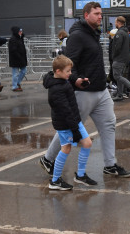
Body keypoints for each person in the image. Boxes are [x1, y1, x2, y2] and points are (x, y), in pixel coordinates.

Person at [39, 1, 130, 179]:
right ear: (86, 15)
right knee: (69, 128)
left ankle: (110, 165)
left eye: (101, 14)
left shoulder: (93, 34)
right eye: (96, 13)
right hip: (83, 92)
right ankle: (48, 159)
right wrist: (76, 79)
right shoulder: (77, 36)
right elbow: (68, 64)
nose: (100, 16)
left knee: (109, 125)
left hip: (101, 90)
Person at [43, 55, 95, 190]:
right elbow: (65, 111)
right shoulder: (56, 89)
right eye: (68, 71)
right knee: (66, 149)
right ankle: (55, 181)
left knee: (87, 143)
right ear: (58, 71)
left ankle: (80, 175)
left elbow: (65, 80)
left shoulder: (61, 80)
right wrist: (75, 130)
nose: (70, 74)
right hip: (65, 124)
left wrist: (81, 82)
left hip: (74, 121)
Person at [111, 16, 130, 101]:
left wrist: (113, 56)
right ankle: (120, 95)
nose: (115, 23)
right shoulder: (126, 32)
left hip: (119, 58)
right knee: (119, 76)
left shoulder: (119, 33)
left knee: (117, 76)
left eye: (115, 22)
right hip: (125, 58)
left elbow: (117, 47)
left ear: (119, 22)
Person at [8, 26, 27, 92]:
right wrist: (19, 57)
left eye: (21, 31)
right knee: (15, 73)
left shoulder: (20, 38)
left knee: (24, 71)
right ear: (17, 32)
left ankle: (17, 83)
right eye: (20, 31)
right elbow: (13, 50)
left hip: (21, 59)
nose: (21, 32)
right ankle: (15, 86)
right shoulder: (13, 39)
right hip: (15, 59)